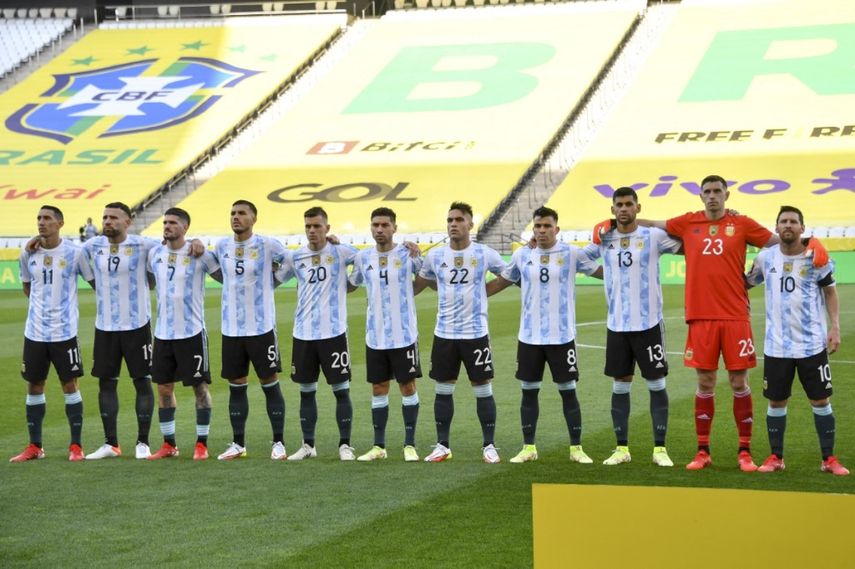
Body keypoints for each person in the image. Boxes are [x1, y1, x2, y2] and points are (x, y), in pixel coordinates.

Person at [595, 174, 824, 471]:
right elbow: (653, 224)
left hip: (734, 316)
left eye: (718, 191)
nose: (713, 195)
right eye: (707, 191)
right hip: (700, 316)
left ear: (727, 195)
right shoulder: (687, 222)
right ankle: (703, 451)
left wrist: (811, 242)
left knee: (739, 382)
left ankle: (744, 452)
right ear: (701, 196)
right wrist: (611, 225)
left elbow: (779, 242)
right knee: (704, 383)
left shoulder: (742, 224)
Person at [486, 206, 599, 464]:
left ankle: (576, 448)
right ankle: (528, 448)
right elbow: (501, 282)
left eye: (547, 226)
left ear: (556, 229)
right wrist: (471, 295)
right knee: (529, 392)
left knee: (568, 392)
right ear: (533, 228)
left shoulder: (571, 254)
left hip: (562, 337)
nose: (542, 230)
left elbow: (602, 271)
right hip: (530, 337)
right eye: (538, 226)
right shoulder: (522, 255)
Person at [747, 206, 848, 475]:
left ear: (802, 228)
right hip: (777, 345)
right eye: (783, 221)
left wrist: (835, 327)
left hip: (812, 344)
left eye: (793, 221)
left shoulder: (817, 257)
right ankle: (776, 457)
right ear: (776, 227)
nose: (788, 225)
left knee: (821, 400)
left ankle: (829, 459)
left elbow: (830, 293)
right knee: (776, 402)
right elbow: (745, 283)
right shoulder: (766, 258)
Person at [583, 188, 681, 467]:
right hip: (617, 326)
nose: (624, 208)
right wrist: (535, 244)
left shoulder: (653, 237)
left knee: (656, 384)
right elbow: (577, 259)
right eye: (619, 205)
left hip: (648, 324)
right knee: (620, 386)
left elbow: (689, 245)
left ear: (638, 207)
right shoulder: (604, 238)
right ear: (612, 210)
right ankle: (621, 448)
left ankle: (660, 449)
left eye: (628, 204)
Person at [414, 202, 505, 463]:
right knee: (443, 388)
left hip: (475, 332)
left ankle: (489, 445)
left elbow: (507, 275)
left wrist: (483, 293)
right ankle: (442, 445)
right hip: (444, 333)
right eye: (450, 220)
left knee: (482, 386)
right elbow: (421, 283)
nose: (453, 224)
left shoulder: (484, 253)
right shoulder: (436, 256)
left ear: (470, 224)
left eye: (459, 220)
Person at [11, 205, 94, 462]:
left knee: (69, 384)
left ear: (60, 223)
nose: (41, 222)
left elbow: (94, 282)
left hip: (64, 332)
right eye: (38, 218)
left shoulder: (75, 252)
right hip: (34, 332)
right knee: (34, 386)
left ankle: (76, 446)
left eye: (47, 218)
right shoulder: (28, 253)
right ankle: (35, 446)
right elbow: (28, 285)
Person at [276, 206, 359, 461]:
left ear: (327, 228)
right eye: (308, 226)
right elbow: (276, 278)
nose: (312, 231)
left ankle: (345, 445)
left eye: (317, 226)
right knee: (306, 392)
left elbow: (364, 261)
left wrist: (351, 283)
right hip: (303, 334)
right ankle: (308, 445)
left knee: (341, 390)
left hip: (333, 333)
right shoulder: (295, 257)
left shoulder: (341, 251)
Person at [82, 203, 159, 460]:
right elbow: (65, 254)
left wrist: (195, 242)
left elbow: (174, 247)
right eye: (104, 217)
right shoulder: (92, 246)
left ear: (128, 222)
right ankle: (110, 444)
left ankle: (143, 442)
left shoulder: (145, 245)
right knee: (106, 383)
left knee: (142, 381)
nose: (107, 221)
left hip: (136, 325)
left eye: (113, 217)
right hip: (105, 327)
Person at [214, 200, 289, 461]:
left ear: (253, 219)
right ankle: (238, 443)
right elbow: (216, 270)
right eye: (233, 213)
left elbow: (291, 262)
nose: (236, 217)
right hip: (231, 329)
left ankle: (278, 442)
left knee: (269, 382)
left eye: (242, 213)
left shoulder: (268, 245)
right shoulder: (222, 245)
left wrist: (273, 281)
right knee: (236, 384)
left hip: (261, 327)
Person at [348, 207, 424, 462]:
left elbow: (427, 276)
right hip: (375, 335)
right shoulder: (362, 258)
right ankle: (379, 446)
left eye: (384, 225)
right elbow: (351, 284)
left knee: (407, 386)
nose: (379, 230)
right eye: (375, 225)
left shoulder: (408, 253)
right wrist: (332, 242)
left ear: (394, 228)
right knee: (378, 388)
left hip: (404, 335)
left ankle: (409, 444)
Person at [146, 208, 222, 460]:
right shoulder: (155, 253)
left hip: (191, 332)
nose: (167, 226)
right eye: (165, 222)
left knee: (199, 388)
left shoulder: (199, 254)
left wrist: (199, 242)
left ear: (185, 228)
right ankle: (169, 444)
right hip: (163, 334)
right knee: (164, 389)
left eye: (173, 223)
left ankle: (202, 443)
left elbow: (226, 276)